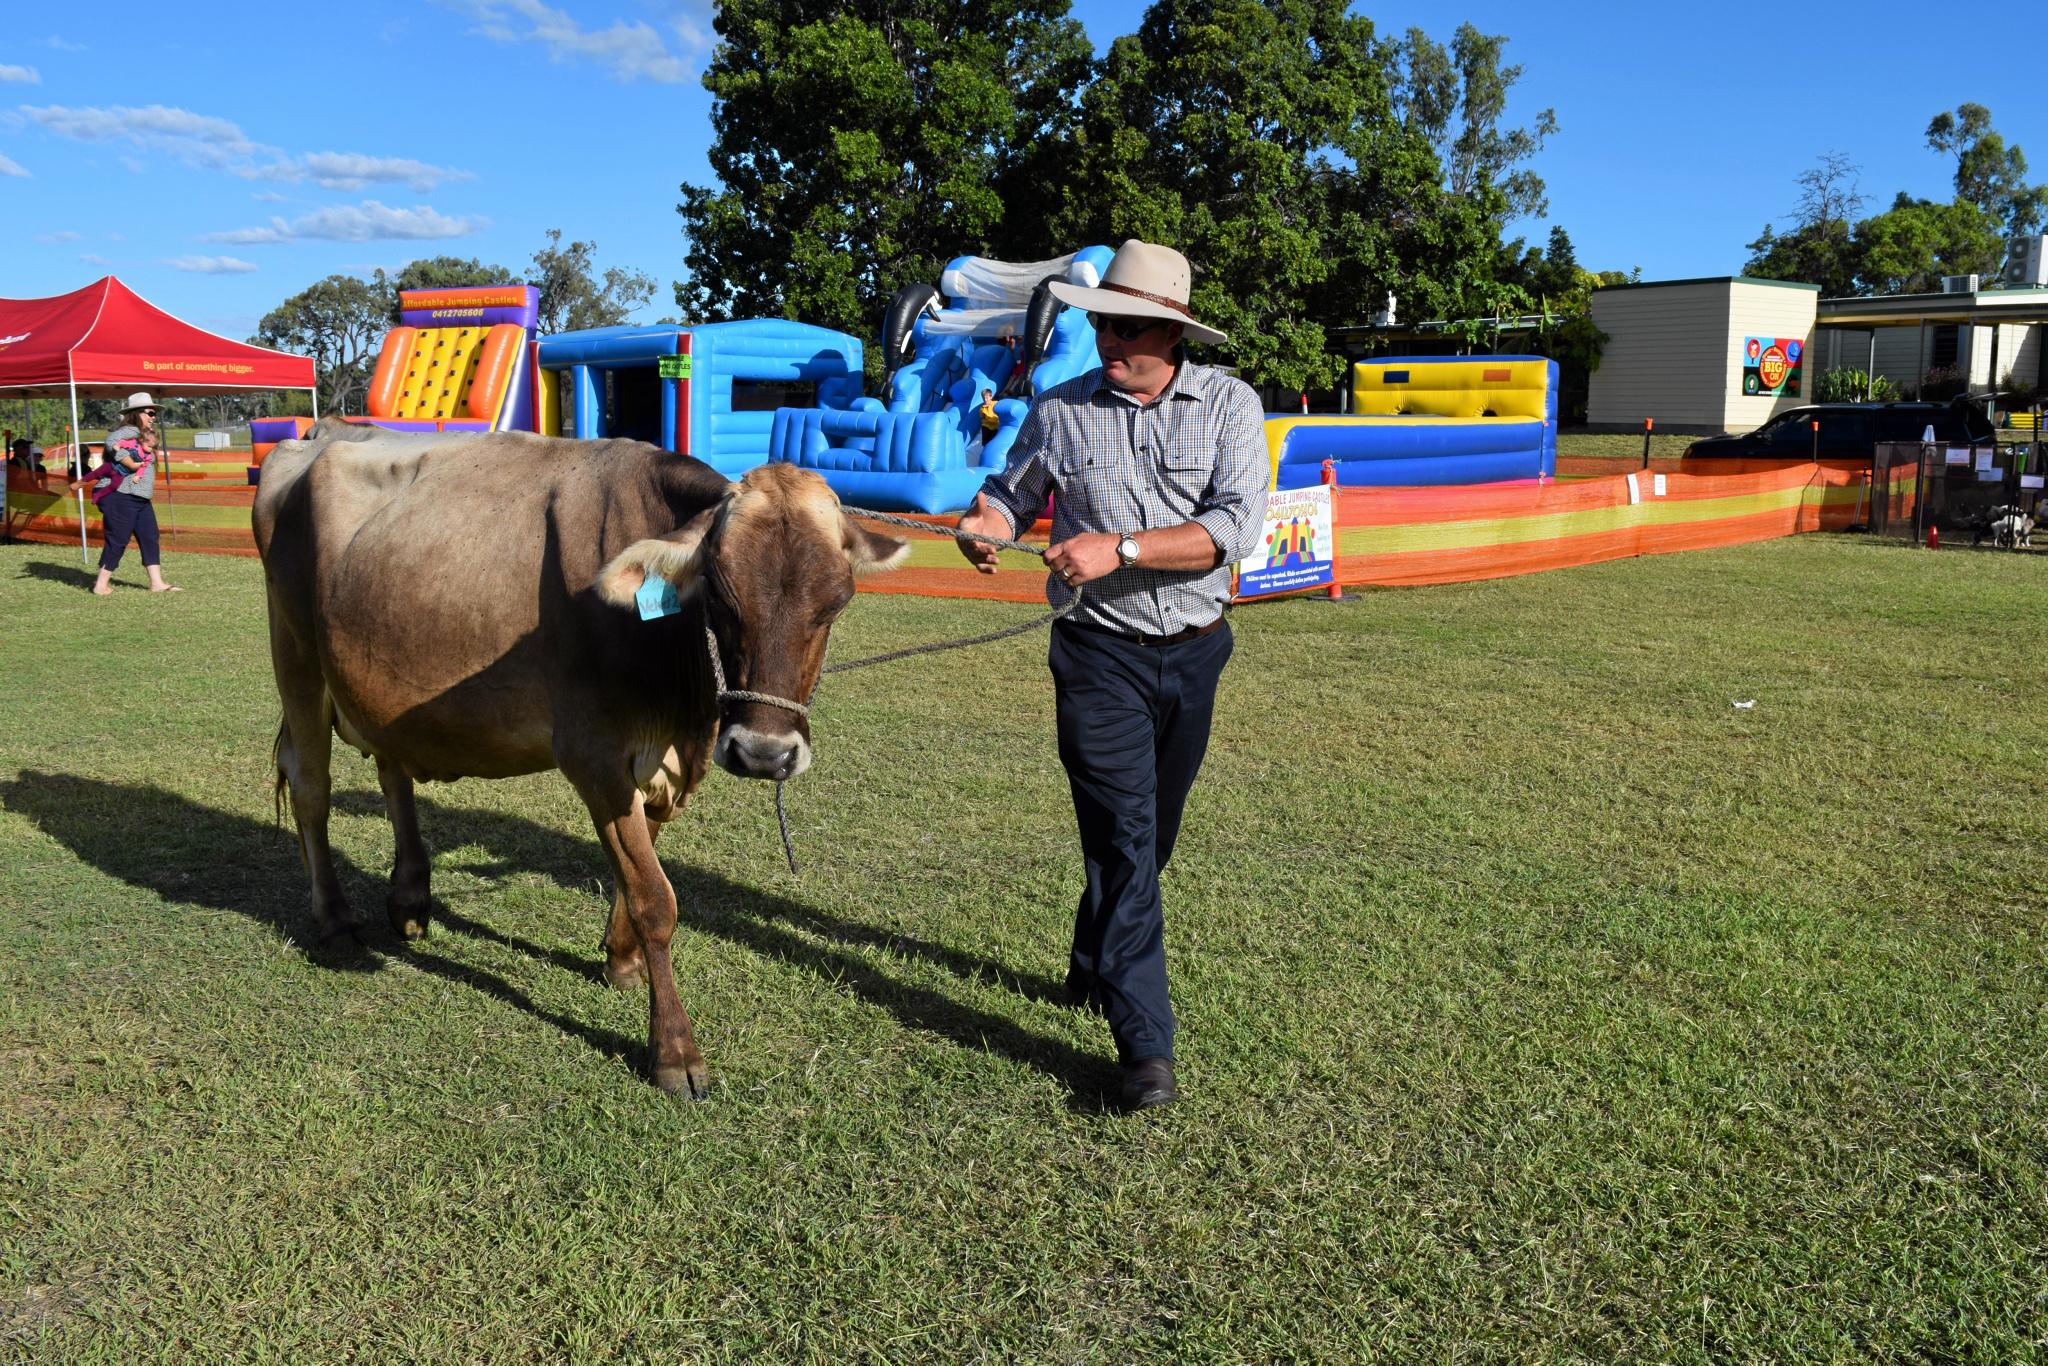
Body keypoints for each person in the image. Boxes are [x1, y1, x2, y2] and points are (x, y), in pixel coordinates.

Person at [954, 239, 1265, 1111]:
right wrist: (987, 523)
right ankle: (1144, 1047)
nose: (1110, 342)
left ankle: (1092, 963)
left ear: (1174, 338)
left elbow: (1234, 528)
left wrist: (1119, 547)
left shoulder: (1232, 407)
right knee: (1127, 841)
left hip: (1197, 648)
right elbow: (1009, 494)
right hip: (1096, 655)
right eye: (1103, 325)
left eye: (1130, 328)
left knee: (1147, 838)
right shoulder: (1057, 411)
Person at [82, 392, 179, 595]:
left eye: (155, 414)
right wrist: (128, 461)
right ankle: (100, 586)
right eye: (150, 412)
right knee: (118, 539)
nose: (153, 417)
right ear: (136, 413)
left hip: (139, 498)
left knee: (149, 536)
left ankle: (157, 583)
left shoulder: (143, 436)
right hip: (120, 495)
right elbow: (111, 440)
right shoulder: (130, 430)